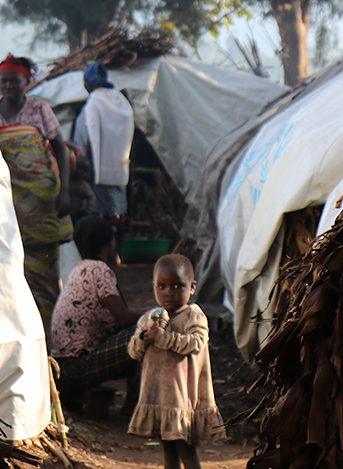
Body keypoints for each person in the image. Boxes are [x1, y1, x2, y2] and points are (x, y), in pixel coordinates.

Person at [0, 53, 72, 316]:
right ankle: (20, 318)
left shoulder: (39, 108)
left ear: (27, 82)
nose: (9, 86)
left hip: (43, 199)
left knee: (45, 265)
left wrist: (64, 191)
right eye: (4, 81)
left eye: (15, 81)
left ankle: (48, 323)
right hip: (7, 199)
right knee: (11, 260)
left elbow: (60, 149)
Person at [128, 254, 224, 467]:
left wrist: (163, 338)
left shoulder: (194, 316)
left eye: (177, 286)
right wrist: (144, 337)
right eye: (161, 286)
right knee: (168, 450)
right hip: (160, 400)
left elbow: (196, 343)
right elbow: (133, 351)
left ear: (192, 287)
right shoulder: (149, 317)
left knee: (186, 451)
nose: (168, 292)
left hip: (183, 400)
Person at [51, 216, 147, 410]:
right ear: (110, 243)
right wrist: (157, 311)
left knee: (141, 332)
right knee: (146, 332)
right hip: (76, 368)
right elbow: (123, 317)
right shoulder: (99, 270)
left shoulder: (78, 270)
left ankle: (133, 404)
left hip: (60, 370)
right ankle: (134, 407)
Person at [71, 62, 134, 223]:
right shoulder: (117, 99)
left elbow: (92, 134)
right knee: (116, 212)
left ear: (90, 82)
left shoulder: (95, 102)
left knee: (98, 214)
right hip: (117, 165)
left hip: (94, 167)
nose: (84, 84)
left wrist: (85, 159)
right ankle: (116, 245)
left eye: (85, 80)